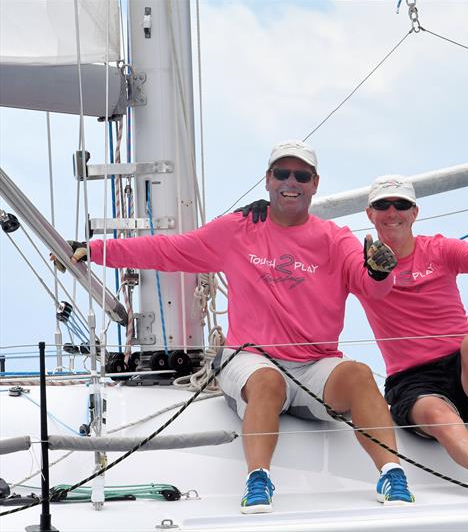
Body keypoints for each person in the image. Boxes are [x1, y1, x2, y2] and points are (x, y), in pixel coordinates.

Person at [53, 142, 415, 514]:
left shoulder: (335, 238)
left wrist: (379, 271)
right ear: (268, 180)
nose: (291, 182)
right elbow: (168, 250)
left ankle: (392, 474)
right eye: (282, 174)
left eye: (301, 175)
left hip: (314, 364)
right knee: (267, 383)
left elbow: (371, 287)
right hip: (251, 358)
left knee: (358, 374)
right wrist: (95, 250)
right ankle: (258, 479)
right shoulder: (239, 230)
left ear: (315, 183)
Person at [240, 175, 468, 495]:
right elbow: (303, 254)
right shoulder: (361, 264)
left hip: (462, 370)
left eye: (401, 205)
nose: (392, 211)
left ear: (414, 212)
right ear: (370, 214)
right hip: (413, 383)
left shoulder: (439, 248)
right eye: (383, 205)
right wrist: (268, 219)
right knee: (439, 415)